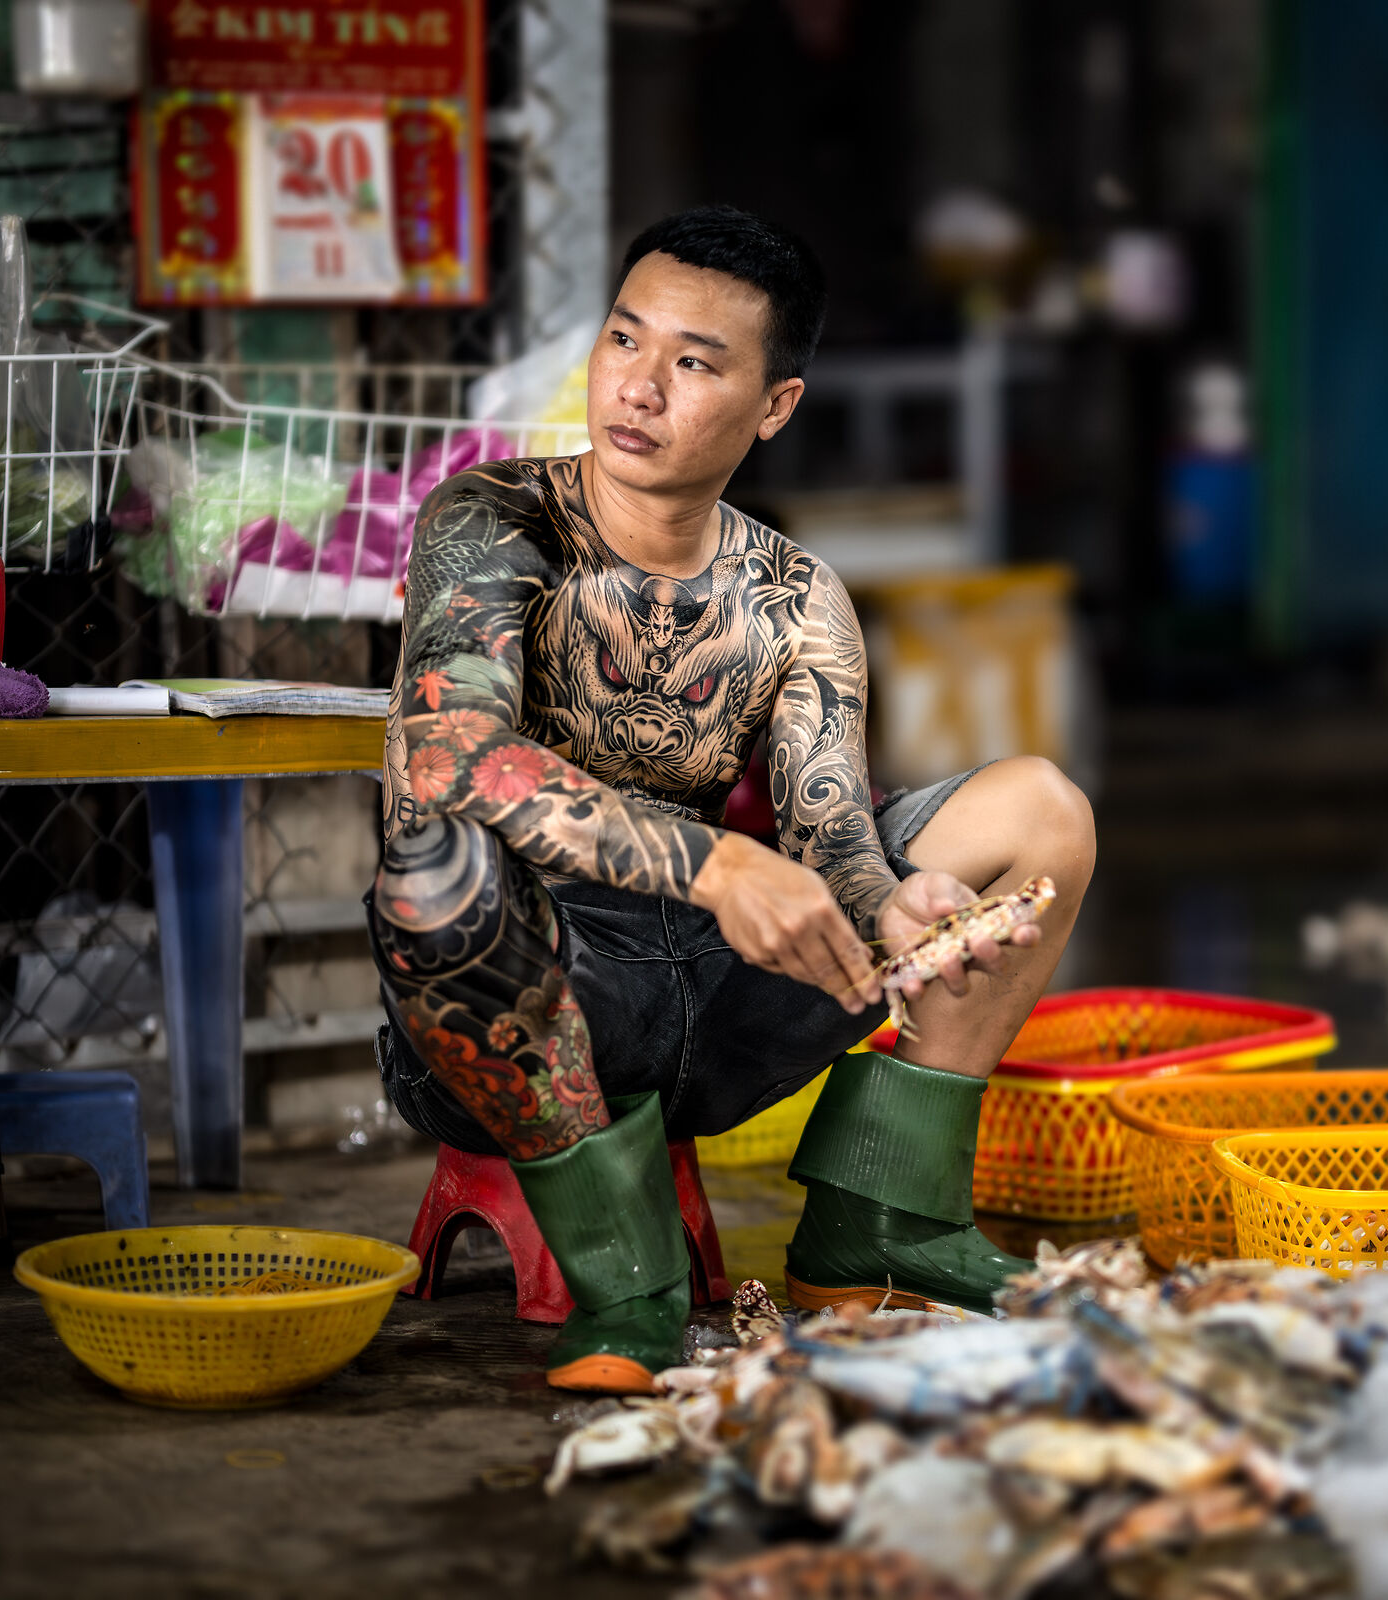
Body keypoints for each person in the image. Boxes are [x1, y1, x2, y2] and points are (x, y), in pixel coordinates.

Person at [367, 205, 1097, 1394]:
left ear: (775, 406)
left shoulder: (798, 595)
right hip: (520, 1010)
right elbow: (451, 751)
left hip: (715, 1006)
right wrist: (718, 864)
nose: (640, 388)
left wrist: (896, 904)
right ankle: (628, 1281)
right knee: (431, 863)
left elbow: (831, 837)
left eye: (694, 363)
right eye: (624, 340)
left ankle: (879, 1222)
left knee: (1043, 807)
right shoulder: (494, 520)